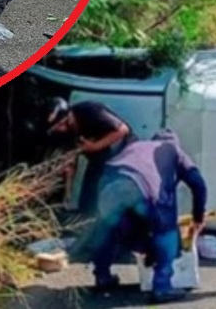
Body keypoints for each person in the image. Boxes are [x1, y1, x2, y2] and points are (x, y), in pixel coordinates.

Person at [69, 128, 208, 304]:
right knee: (166, 231)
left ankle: (102, 276)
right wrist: (198, 217)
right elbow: (199, 184)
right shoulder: (174, 150)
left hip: (110, 180)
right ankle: (162, 287)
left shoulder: (137, 146)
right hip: (141, 185)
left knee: (108, 229)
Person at [46, 98, 136, 216]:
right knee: (88, 198)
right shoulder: (66, 132)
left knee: (110, 198)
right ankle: (85, 220)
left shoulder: (90, 111)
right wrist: (68, 192)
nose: (59, 129)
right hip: (99, 159)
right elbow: (70, 162)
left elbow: (122, 130)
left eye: (60, 125)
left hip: (123, 154)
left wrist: (94, 147)